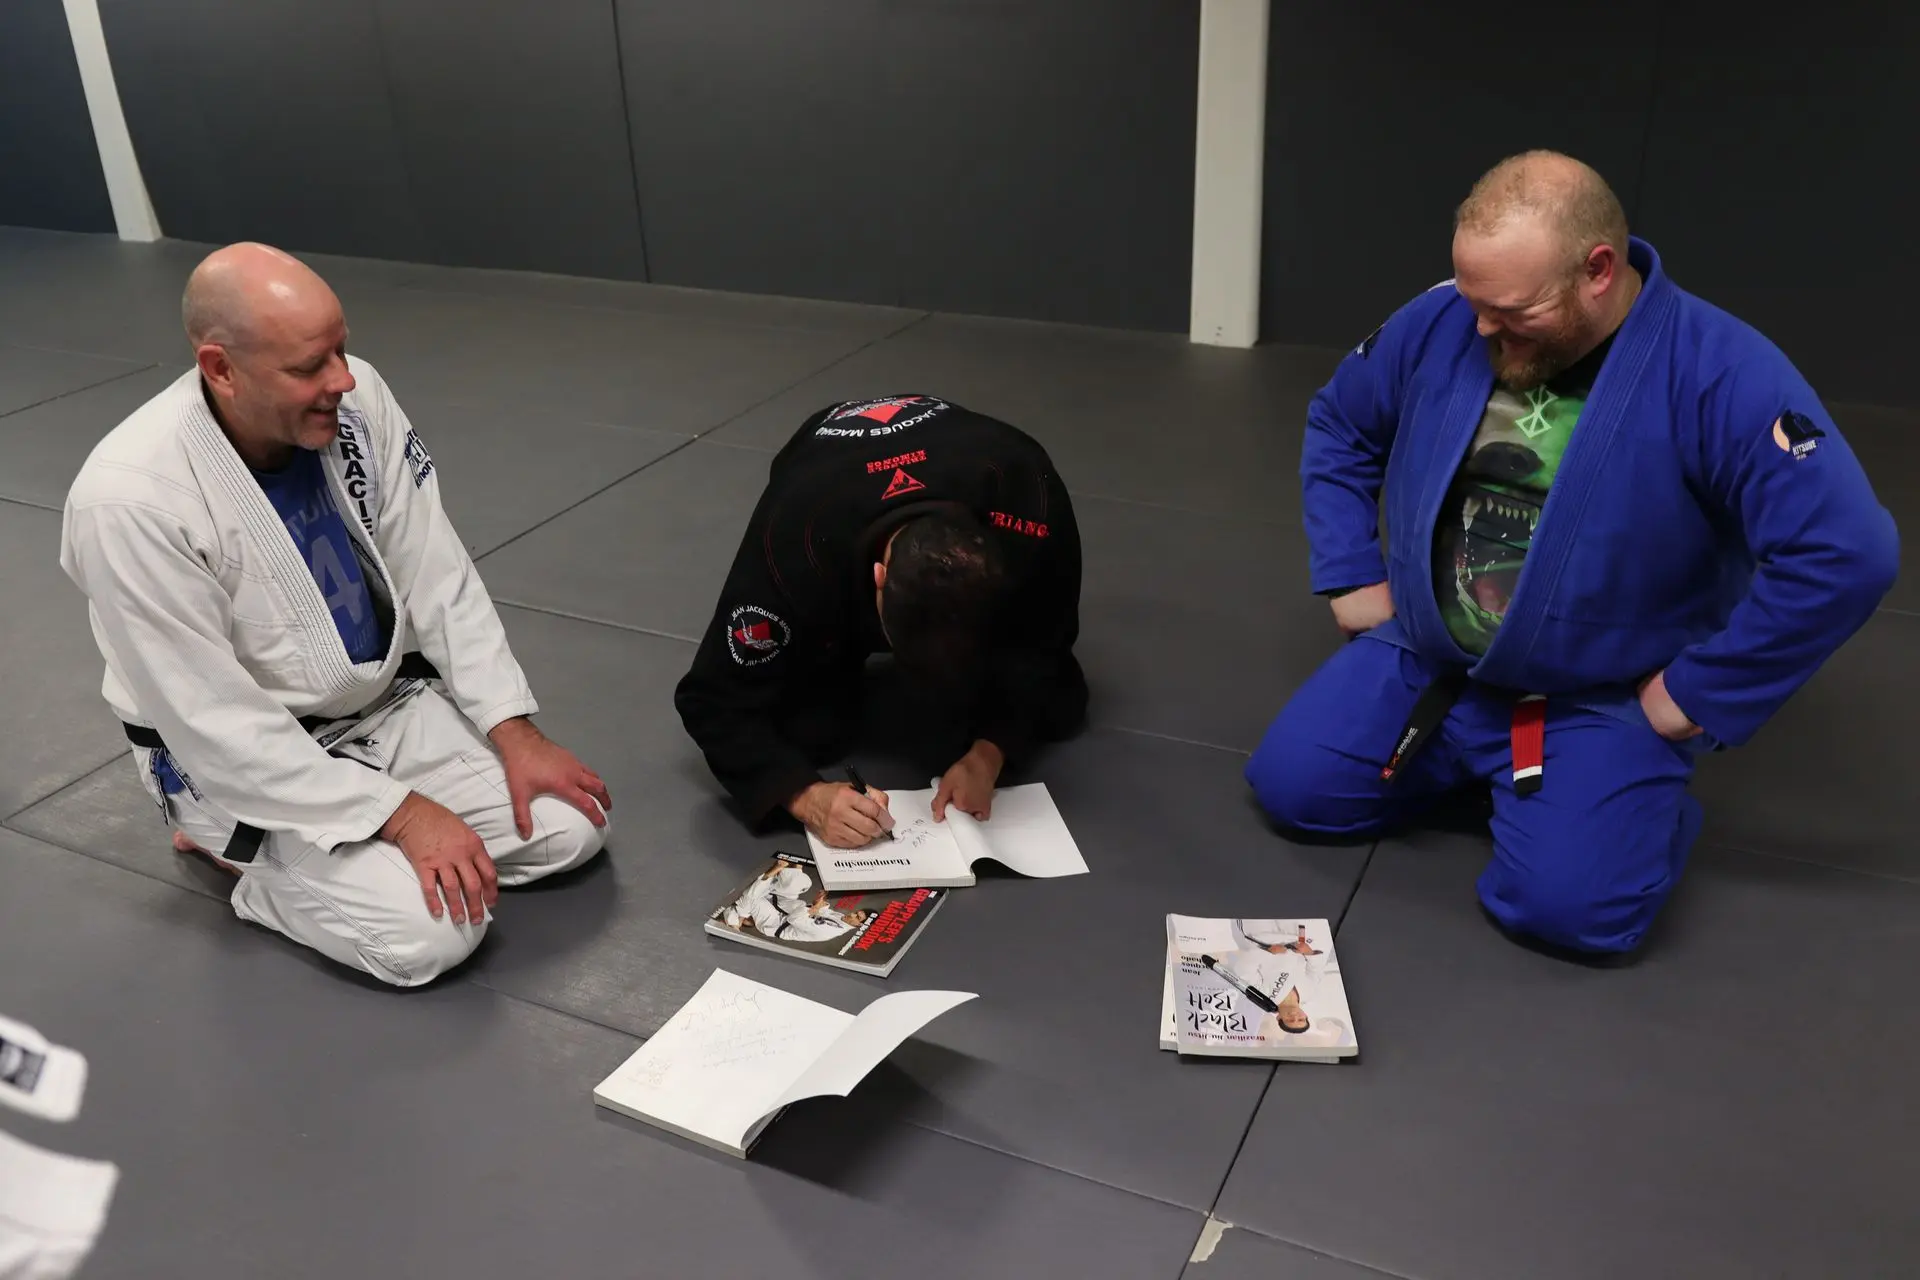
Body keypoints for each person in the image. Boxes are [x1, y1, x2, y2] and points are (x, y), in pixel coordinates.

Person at [1247, 151, 1898, 958]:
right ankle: (1501, 767)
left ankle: (1624, 794)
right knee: (1293, 793)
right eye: (1473, 300)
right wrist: (1352, 571)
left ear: (1598, 270)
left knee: (1572, 915)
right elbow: (1342, 423)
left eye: (1511, 309)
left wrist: (1698, 691)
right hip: (1435, 651)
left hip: (1596, 690)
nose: (1481, 326)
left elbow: (1848, 552)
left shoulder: (1722, 372)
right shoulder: (1449, 317)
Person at [58, 243, 613, 987]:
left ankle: (352, 829)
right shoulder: (131, 502)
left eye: (341, 351)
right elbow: (210, 718)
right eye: (308, 367)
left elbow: (434, 566)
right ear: (221, 369)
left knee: (568, 827)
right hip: (239, 762)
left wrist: (512, 728)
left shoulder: (357, 399)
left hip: (381, 710)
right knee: (430, 937)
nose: (342, 380)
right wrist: (408, 815)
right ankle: (228, 846)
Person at [674, 395, 1085, 847]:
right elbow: (711, 699)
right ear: (878, 579)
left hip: (970, 454)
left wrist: (989, 753)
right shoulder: (797, 544)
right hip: (830, 493)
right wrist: (807, 797)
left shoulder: (1026, 496)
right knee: (810, 731)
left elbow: (1047, 642)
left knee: (1059, 699)